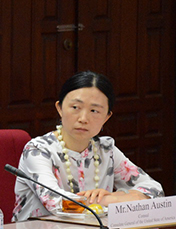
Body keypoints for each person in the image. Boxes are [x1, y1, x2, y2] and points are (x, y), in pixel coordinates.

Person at [13, 71, 163, 221]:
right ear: (59, 108)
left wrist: (117, 197)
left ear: (107, 117)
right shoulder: (37, 150)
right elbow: (55, 202)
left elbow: (155, 191)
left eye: (94, 111)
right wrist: (112, 200)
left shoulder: (106, 150)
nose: (83, 119)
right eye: (75, 107)